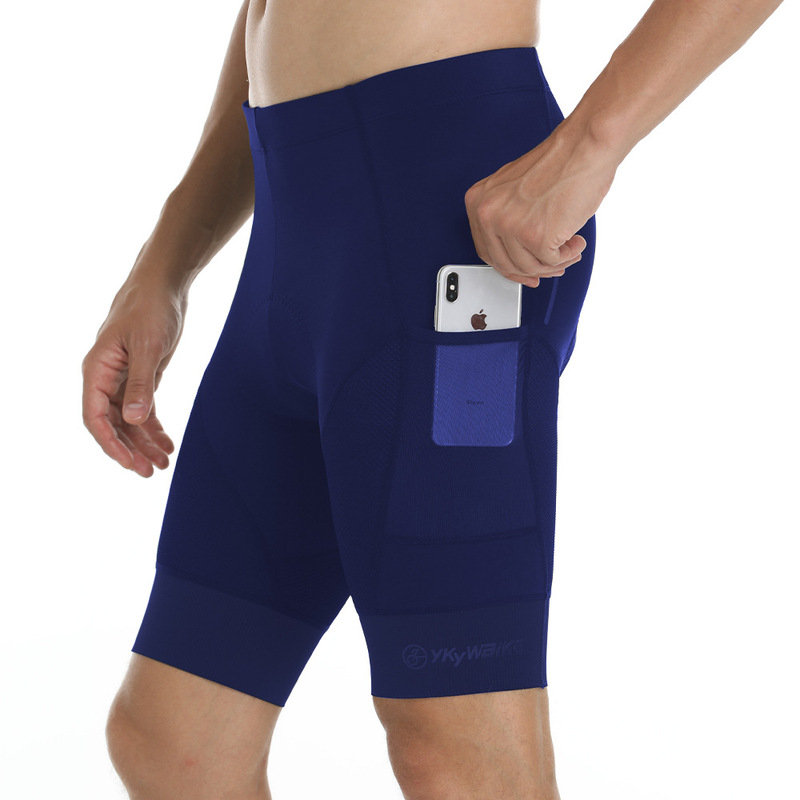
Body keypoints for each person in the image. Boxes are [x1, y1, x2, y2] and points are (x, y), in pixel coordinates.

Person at [81, 0, 785, 797]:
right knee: (170, 744)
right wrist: (163, 266)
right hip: (294, 232)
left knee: (452, 751)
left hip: (450, 234)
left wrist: (592, 145)